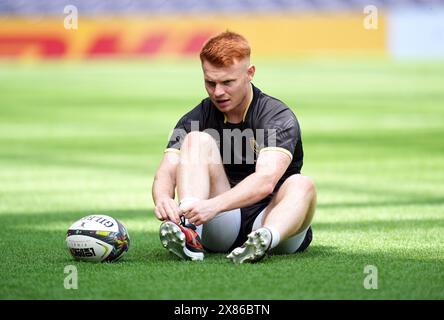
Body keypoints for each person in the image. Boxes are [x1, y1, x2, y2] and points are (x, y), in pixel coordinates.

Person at [152, 31, 316, 263]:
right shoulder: (197, 117)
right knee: (196, 140)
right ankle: (189, 233)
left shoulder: (276, 116)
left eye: (228, 82)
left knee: (302, 183)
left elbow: (266, 181)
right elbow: (166, 170)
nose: (218, 92)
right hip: (222, 223)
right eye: (210, 82)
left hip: (275, 220)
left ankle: (264, 240)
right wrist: (163, 199)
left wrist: (212, 206)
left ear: (250, 74)